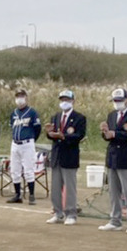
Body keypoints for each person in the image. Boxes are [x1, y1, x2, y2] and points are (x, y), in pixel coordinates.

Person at [98, 87, 127, 234]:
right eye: (115, 101)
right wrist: (105, 133)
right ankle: (115, 220)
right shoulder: (112, 115)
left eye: (120, 100)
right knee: (113, 191)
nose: (117, 103)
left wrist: (115, 134)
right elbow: (109, 137)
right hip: (112, 157)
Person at [46, 89, 86, 223]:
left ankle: (71, 213)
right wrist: (49, 133)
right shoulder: (56, 117)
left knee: (70, 187)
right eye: (62, 100)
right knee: (56, 187)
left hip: (69, 156)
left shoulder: (79, 118)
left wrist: (64, 136)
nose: (64, 102)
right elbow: (52, 135)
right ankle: (58, 212)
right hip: (57, 155)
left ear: (73, 101)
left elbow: (79, 135)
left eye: (67, 100)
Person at [6, 89, 43, 205]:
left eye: (21, 96)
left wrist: (32, 139)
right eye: (17, 96)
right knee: (15, 170)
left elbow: (38, 128)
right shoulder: (14, 113)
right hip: (15, 144)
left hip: (27, 144)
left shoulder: (32, 112)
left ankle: (31, 195)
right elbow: (12, 127)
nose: (19, 99)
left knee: (28, 170)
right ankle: (17, 194)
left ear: (26, 97)